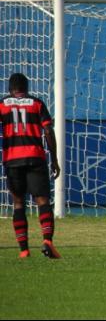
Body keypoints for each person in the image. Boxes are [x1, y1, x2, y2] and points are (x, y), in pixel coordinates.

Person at [0, 73, 61, 259]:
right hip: (35, 158)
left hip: (12, 159)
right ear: (27, 88)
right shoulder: (37, 103)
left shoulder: (2, 105)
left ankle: (24, 251)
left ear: (11, 89)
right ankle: (47, 241)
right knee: (42, 200)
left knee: (18, 203)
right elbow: (48, 130)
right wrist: (55, 159)